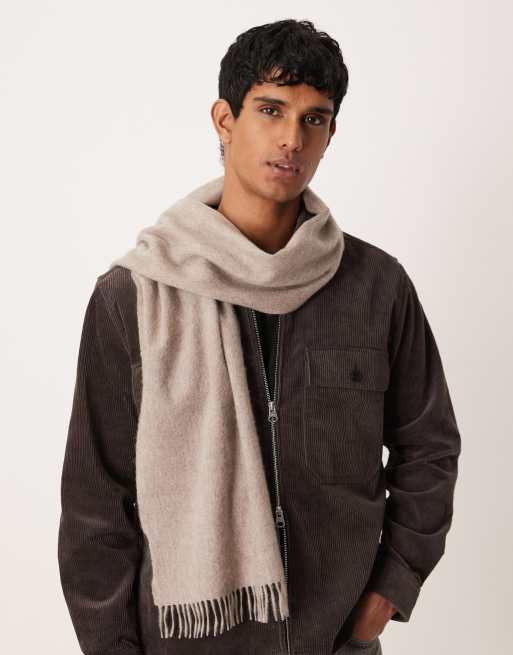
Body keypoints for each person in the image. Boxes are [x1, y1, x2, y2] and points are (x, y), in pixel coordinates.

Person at [58, 18, 461, 655]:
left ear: (331, 134)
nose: (291, 138)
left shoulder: (376, 287)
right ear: (225, 120)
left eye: (313, 118)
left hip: (334, 640)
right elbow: (96, 505)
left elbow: (428, 446)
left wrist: (388, 591)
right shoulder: (132, 296)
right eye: (271, 110)